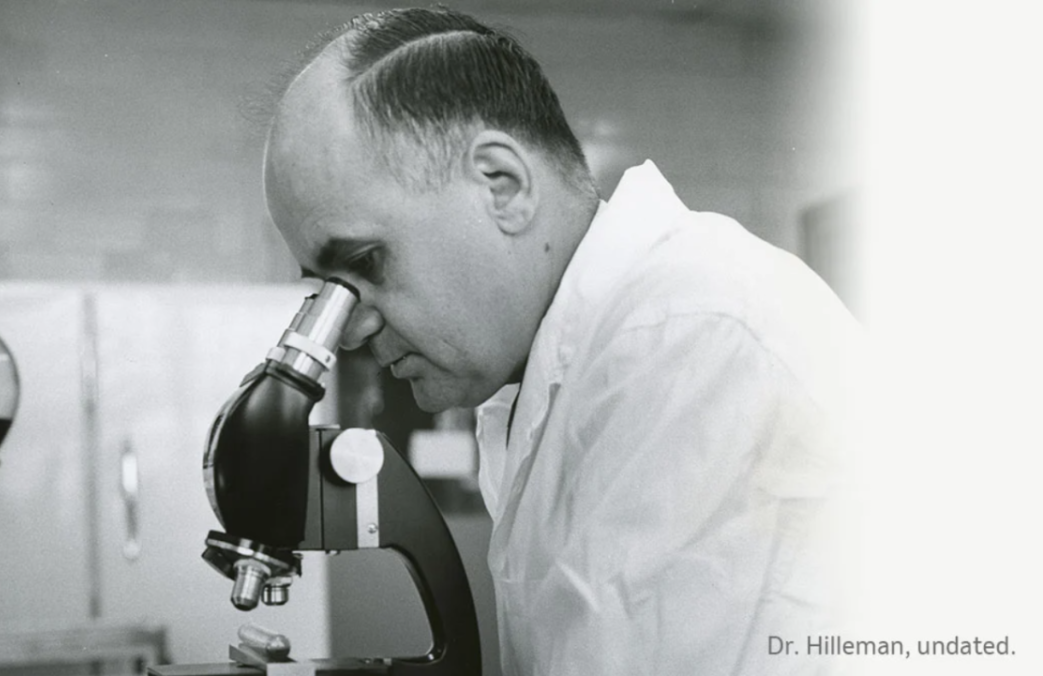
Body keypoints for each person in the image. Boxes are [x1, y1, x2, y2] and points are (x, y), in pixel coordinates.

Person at [262, 7, 861, 675]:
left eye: (366, 264)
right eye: (324, 291)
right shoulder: (556, 374)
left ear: (503, 186)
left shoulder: (692, 338)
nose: (346, 332)